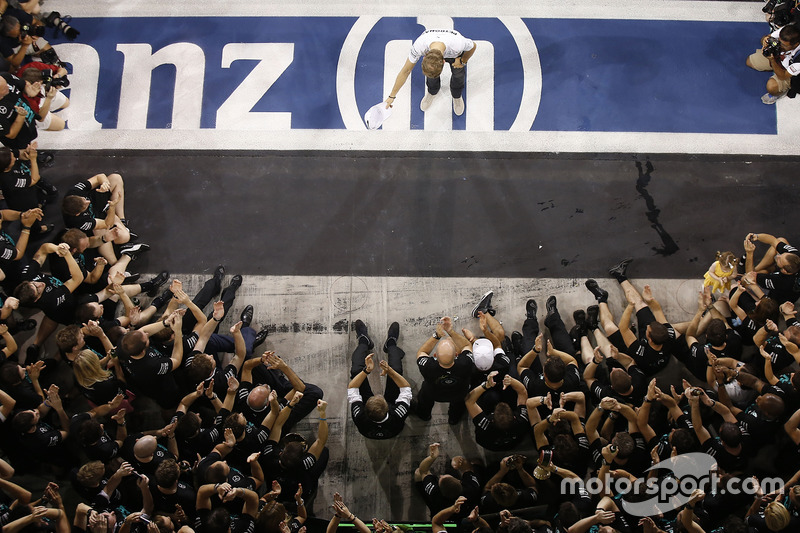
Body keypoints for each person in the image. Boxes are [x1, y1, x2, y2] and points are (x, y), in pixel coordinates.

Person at [384, 28, 477, 116]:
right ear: (424, 58)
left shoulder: (458, 43)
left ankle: (456, 95)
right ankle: (432, 91)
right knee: (431, 73)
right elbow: (405, 71)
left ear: (444, 62)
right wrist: (391, 96)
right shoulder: (419, 46)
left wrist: (462, 61)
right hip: (441, 50)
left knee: (458, 75)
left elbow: (473, 46)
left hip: (455, 54)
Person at [346, 320, 411, 440]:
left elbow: (352, 387)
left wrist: (366, 371)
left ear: (365, 408)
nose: (378, 394)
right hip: (393, 429)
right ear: (387, 406)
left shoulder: (359, 416)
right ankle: (391, 344)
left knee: (356, 372)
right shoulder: (398, 414)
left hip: (369, 429)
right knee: (396, 369)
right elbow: (405, 388)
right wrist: (390, 371)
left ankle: (364, 341)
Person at [746, 23, 800, 104]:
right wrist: (765, 39)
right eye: (779, 42)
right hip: (778, 58)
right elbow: (765, 38)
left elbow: (783, 76)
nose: (780, 46)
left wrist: (772, 60)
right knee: (749, 62)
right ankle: (774, 68)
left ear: (796, 44)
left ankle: (783, 90)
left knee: (772, 87)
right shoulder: (786, 31)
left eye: (784, 45)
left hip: (788, 73)